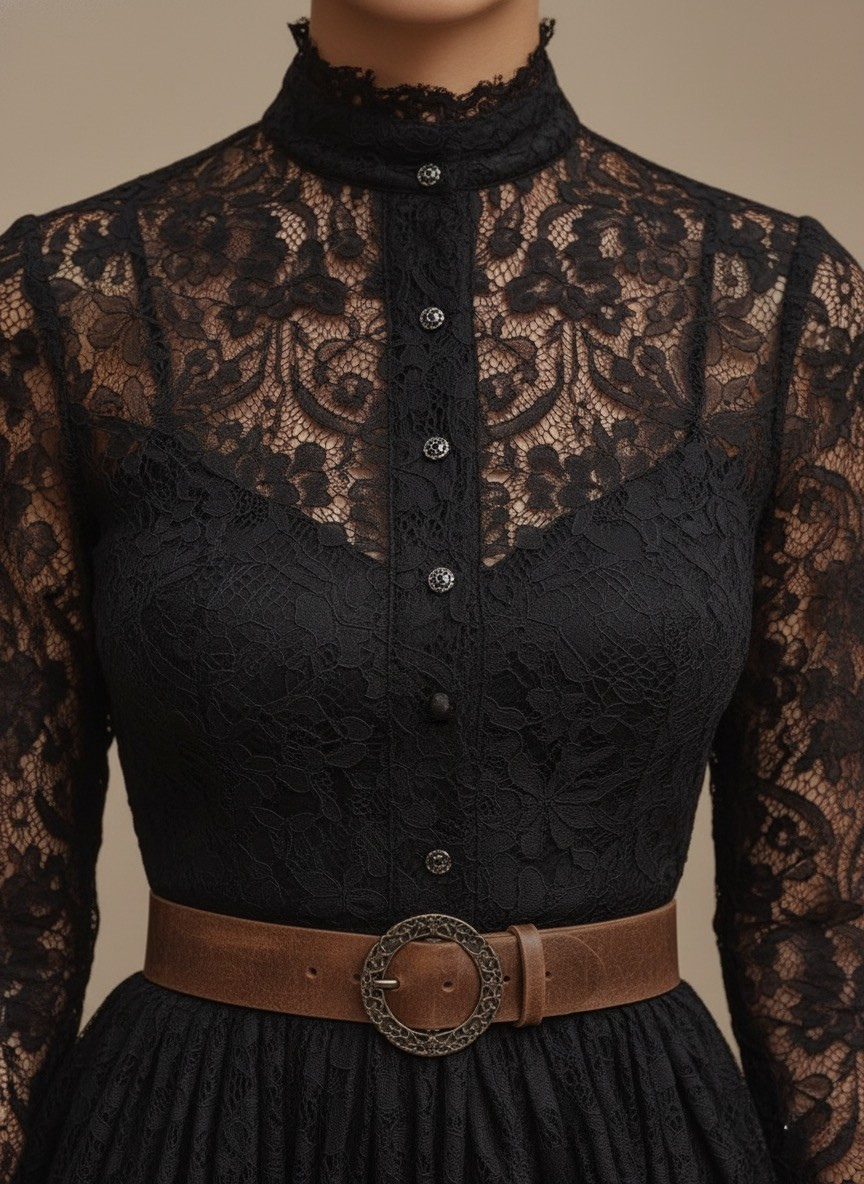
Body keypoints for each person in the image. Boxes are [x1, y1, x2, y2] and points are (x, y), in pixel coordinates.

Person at [0, 0, 862, 1180]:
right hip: (197, 1138)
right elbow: (14, 924)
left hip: (627, 1143)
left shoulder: (775, 310)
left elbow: (821, 928)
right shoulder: (67, 303)